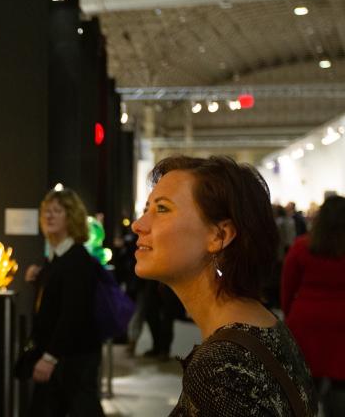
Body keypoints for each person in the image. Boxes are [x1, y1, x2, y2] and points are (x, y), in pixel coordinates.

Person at [131, 155, 317, 416]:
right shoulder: (266, 326)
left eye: (162, 209)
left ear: (219, 235)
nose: (139, 225)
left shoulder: (220, 369)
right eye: (146, 209)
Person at [24, 188, 104, 417]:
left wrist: (49, 358)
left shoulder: (77, 260)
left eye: (57, 211)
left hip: (74, 360)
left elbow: (73, 314)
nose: (48, 216)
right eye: (46, 211)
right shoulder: (57, 257)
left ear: (71, 217)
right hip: (65, 357)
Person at [282, 195, 345, 417]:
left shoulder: (302, 246)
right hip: (341, 324)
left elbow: (287, 287)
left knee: (304, 388)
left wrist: (290, 316)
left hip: (306, 321)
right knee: (341, 386)